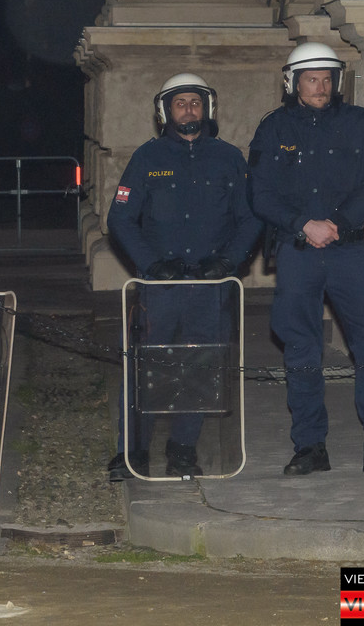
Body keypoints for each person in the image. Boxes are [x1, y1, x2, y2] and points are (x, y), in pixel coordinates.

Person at [248, 42, 364, 476]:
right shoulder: (273, 128)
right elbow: (259, 192)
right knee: (301, 345)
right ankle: (310, 445)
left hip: (348, 251)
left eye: (327, 79)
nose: (321, 87)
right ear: (292, 82)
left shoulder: (362, 122)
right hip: (298, 253)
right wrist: (302, 223)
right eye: (311, 79)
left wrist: (337, 222)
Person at [106, 73, 262, 480]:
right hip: (159, 287)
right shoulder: (147, 158)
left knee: (201, 365)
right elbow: (120, 218)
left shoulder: (229, 158)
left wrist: (227, 263)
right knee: (145, 365)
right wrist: (151, 264)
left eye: (195, 102)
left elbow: (250, 219)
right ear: (166, 111)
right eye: (181, 103)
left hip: (210, 288)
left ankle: (182, 448)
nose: (189, 110)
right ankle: (133, 451)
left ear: (207, 109)